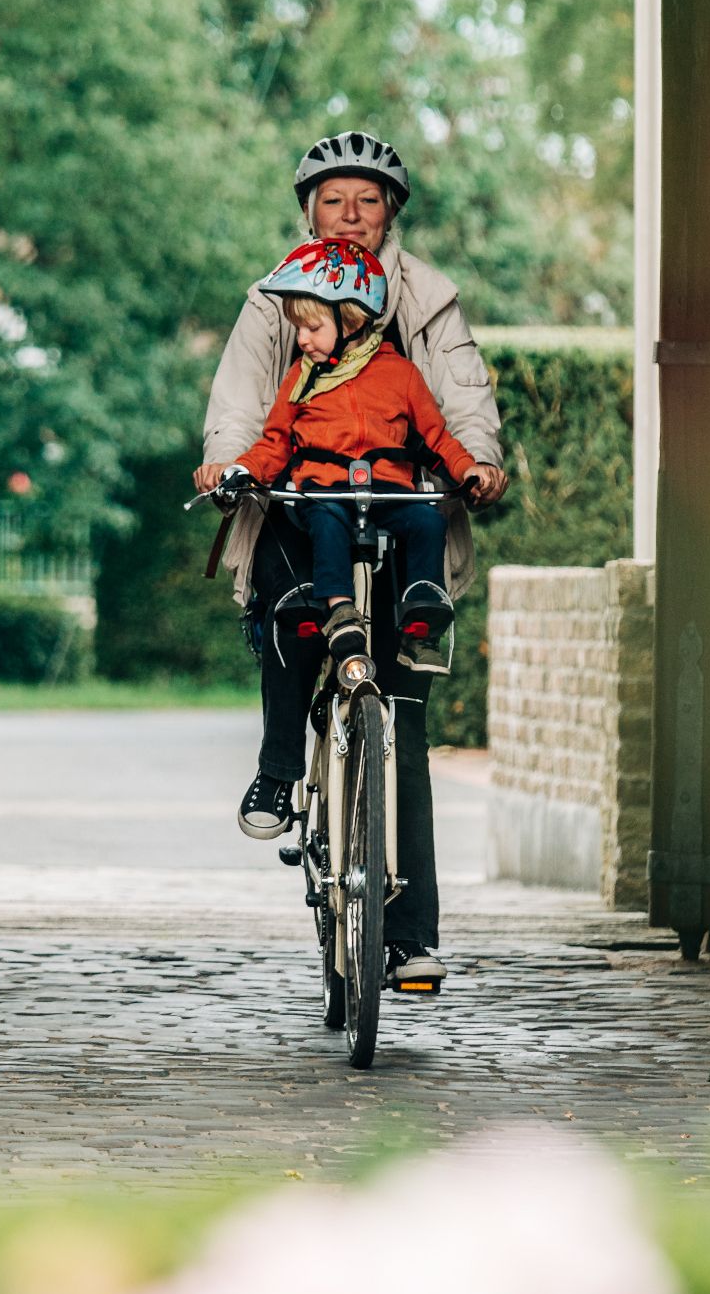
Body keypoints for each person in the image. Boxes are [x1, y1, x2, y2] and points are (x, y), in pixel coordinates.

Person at [196, 130, 508, 986]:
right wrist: (227, 463)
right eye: (333, 200)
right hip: (300, 502)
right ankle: (279, 770)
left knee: (402, 715)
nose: (350, 214)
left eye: (367, 201)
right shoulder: (276, 299)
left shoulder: (430, 301)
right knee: (294, 614)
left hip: (403, 507)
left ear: (390, 214)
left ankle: (409, 937)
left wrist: (477, 463)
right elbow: (243, 403)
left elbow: (461, 402)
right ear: (310, 212)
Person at [227, 237, 501, 672]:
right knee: (327, 522)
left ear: (352, 319)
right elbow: (275, 443)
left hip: (389, 492)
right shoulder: (300, 378)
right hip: (324, 493)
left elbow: (437, 438)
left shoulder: (401, 375)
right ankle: (340, 612)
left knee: (428, 521)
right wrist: (243, 470)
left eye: (312, 327)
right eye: (298, 329)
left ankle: (420, 620)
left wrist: (469, 470)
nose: (302, 340)